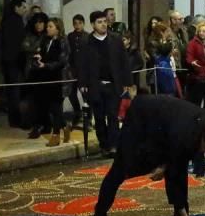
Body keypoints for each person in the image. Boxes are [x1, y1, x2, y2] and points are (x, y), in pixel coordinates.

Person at [88, 96, 205, 216]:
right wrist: (164, 166)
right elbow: (176, 169)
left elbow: (177, 166)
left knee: (174, 168)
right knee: (119, 170)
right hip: (141, 118)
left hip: (164, 127)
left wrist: (182, 211)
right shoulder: (185, 134)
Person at [76, 11, 133, 157]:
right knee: (99, 117)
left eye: (104, 21)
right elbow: (81, 64)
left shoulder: (115, 39)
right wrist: (82, 83)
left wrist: (127, 82)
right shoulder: (86, 42)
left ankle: (114, 145)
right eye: (99, 22)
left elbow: (124, 62)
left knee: (113, 116)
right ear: (93, 25)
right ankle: (104, 145)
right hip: (95, 85)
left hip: (113, 84)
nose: (103, 24)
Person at [34, 17, 70, 147]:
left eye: (50, 26)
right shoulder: (46, 40)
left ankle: (55, 135)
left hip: (59, 79)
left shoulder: (63, 41)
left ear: (57, 28)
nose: (47, 28)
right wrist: (39, 58)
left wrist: (47, 65)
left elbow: (62, 61)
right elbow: (44, 55)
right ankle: (65, 126)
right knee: (51, 107)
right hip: (47, 79)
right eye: (47, 26)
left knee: (56, 107)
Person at [1, 0, 29, 127]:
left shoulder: (7, 20)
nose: (25, 10)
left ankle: (14, 118)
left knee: (12, 90)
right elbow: (17, 44)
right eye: (23, 7)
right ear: (16, 8)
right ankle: (16, 119)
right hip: (15, 61)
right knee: (15, 91)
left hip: (8, 60)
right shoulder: (15, 22)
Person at [22, 12, 49, 138]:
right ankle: (36, 124)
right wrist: (36, 49)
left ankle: (45, 124)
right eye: (36, 23)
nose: (39, 25)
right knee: (33, 101)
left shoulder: (47, 36)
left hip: (44, 72)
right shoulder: (30, 35)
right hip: (31, 71)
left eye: (41, 22)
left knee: (44, 101)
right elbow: (25, 47)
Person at [66, 14, 88, 128]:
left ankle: (87, 118)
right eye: (75, 23)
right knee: (71, 93)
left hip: (84, 70)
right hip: (73, 69)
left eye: (80, 23)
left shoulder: (88, 37)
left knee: (86, 95)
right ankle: (77, 112)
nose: (78, 25)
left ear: (83, 23)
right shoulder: (70, 36)